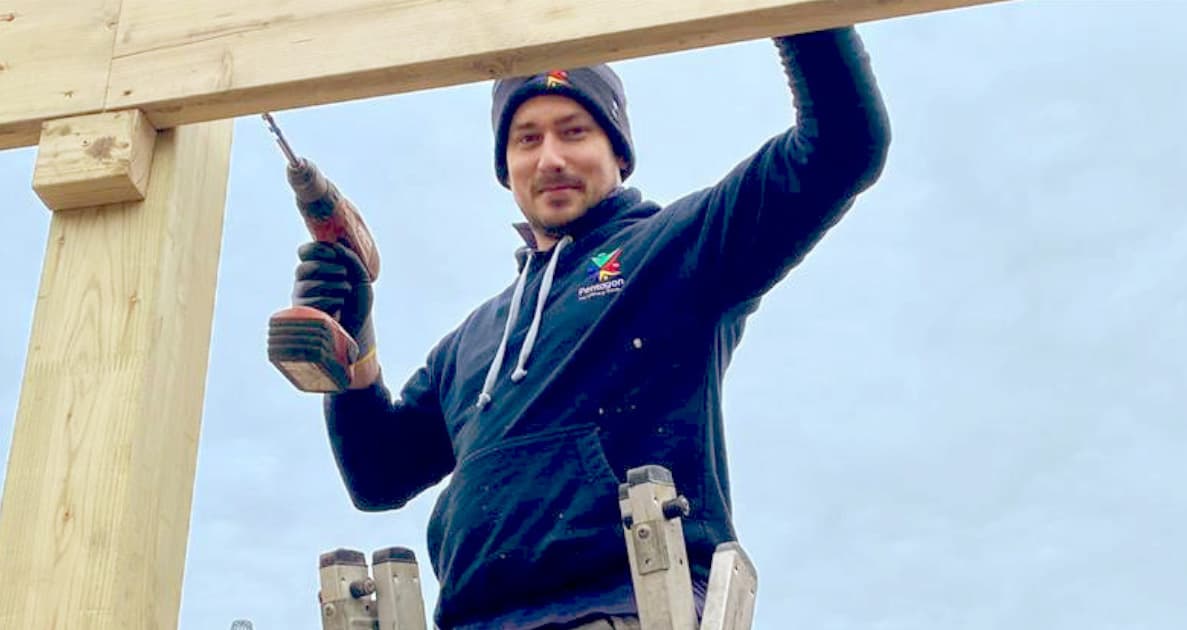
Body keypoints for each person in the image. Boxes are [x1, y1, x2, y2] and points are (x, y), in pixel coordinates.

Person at [290, 24, 890, 630]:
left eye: (574, 132)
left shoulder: (677, 250)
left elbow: (844, 145)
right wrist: (354, 345)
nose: (549, 157)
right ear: (507, 167)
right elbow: (378, 475)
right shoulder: (476, 341)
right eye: (527, 139)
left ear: (618, 152)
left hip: (624, 605)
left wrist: (798, 17)